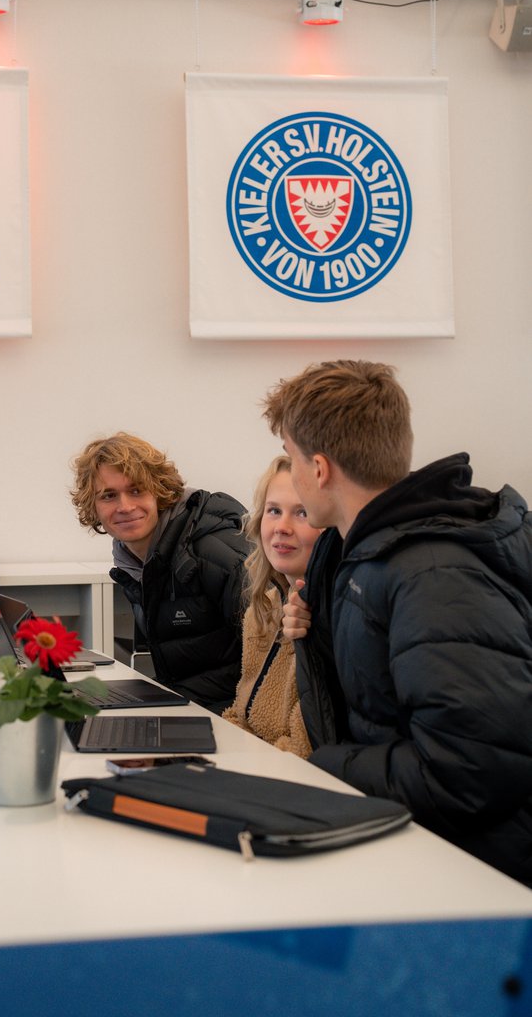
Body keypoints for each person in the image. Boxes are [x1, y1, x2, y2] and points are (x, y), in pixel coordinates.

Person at [264, 359, 532, 885]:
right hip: (417, 851)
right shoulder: (359, 554)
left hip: (476, 881)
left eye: (293, 461)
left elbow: (467, 772)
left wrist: (323, 770)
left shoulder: (433, 574)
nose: (293, 477)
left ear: (319, 469)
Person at [70, 432, 248, 712]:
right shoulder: (136, 562)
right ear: (93, 506)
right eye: (109, 495)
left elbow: (273, 660)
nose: (125, 506)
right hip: (193, 703)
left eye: (137, 490)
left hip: (235, 715)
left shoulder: (213, 550)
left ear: (161, 491)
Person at [221, 455, 321, 757]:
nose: (282, 527)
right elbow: (240, 715)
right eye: (274, 511)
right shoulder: (263, 610)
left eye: (302, 513)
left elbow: (303, 751)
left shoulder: (327, 620)